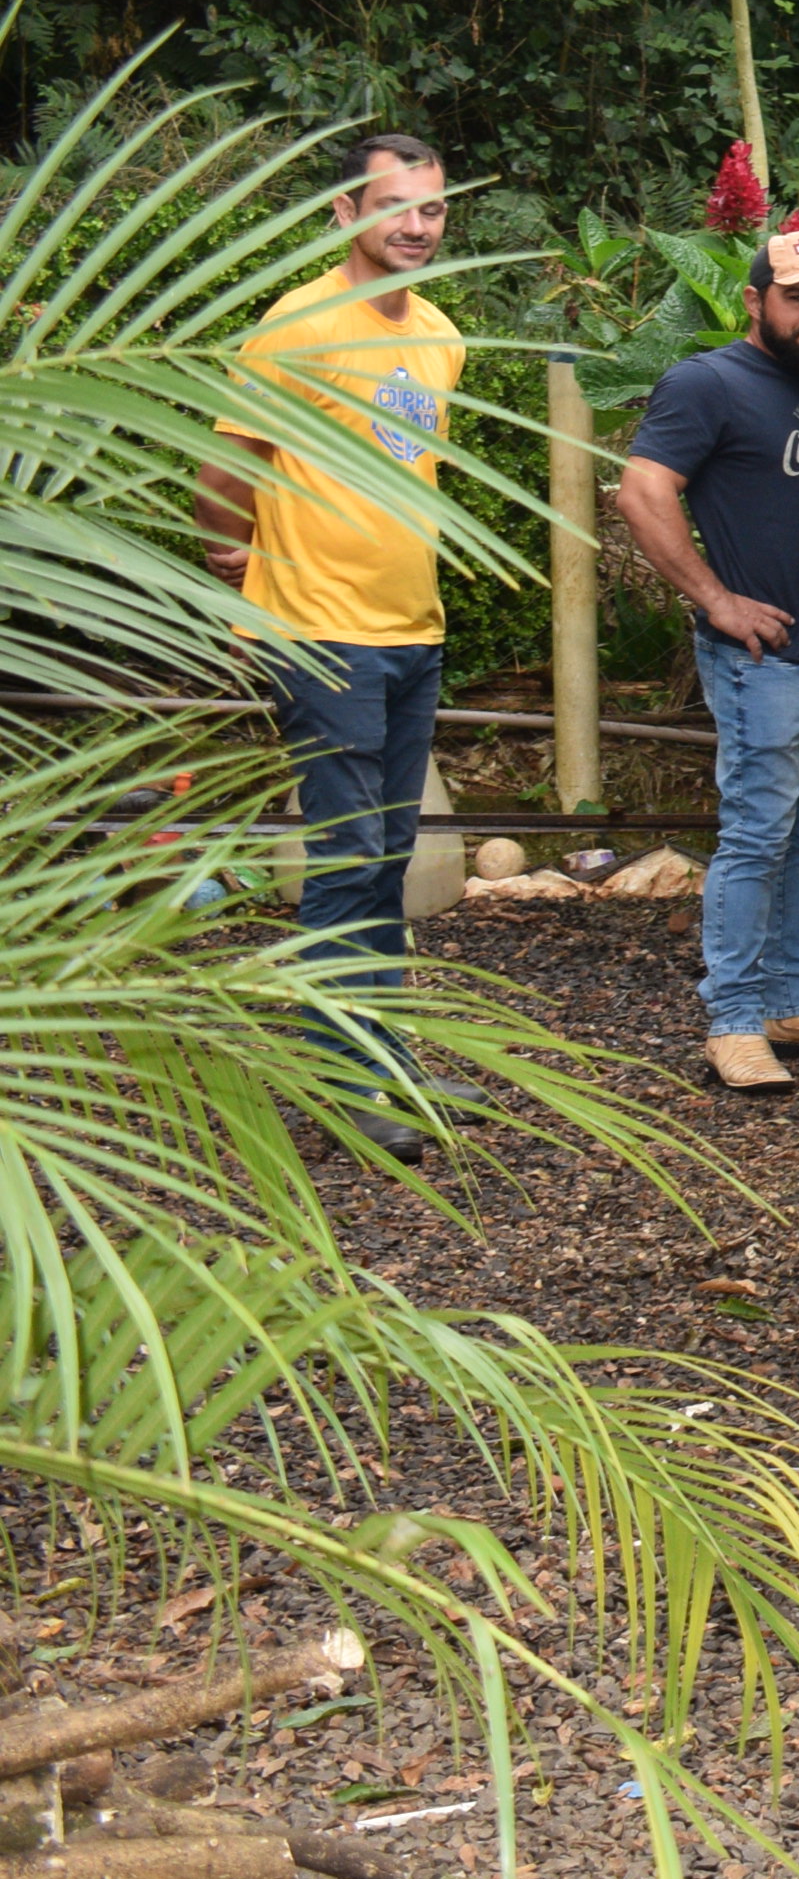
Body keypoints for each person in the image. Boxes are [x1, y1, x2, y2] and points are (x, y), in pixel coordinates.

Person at [195, 133, 466, 1161]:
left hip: (412, 630)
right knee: (348, 859)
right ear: (347, 212)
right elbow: (229, 460)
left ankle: (380, 1056)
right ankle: (343, 1082)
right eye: (394, 207)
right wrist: (229, 547)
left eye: (432, 210)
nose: (414, 226)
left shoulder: (439, 333)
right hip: (322, 633)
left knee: (387, 858)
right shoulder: (297, 324)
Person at [614, 225, 799, 1091]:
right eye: (797, 297)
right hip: (763, 662)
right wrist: (716, 599)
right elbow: (641, 491)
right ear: (753, 301)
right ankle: (733, 1019)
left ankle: (796, 1002)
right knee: (756, 838)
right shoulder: (707, 384)